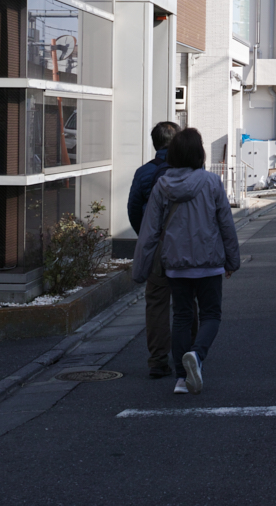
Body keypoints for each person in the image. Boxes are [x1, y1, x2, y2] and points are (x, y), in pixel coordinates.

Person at [132, 128, 240, 395]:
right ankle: (197, 354)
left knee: (181, 316)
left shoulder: (162, 185)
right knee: (211, 315)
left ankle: (181, 379)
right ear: (199, 153)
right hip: (209, 262)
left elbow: (149, 231)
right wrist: (232, 260)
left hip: (175, 265)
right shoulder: (212, 182)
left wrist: (141, 270)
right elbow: (226, 224)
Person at [127, 120, 181, 378]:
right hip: (184, 246)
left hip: (157, 245)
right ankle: (190, 355)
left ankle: (158, 360)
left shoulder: (144, 173)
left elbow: (134, 210)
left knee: (157, 303)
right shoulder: (189, 172)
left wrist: (147, 237)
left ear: (154, 143)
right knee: (186, 300)